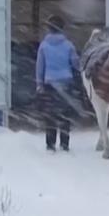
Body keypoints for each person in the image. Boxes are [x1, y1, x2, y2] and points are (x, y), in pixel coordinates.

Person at [35, 14, 81, 152]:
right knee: (65, 115)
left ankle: (50, 144)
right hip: (66, 84)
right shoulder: (68, 45)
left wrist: (39, 84)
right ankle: (64, 144)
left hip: (50, 84)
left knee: (50, 115)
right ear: (62, 28)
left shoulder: (43, 45)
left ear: (49, 28)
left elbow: (39, 66)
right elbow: (76, 64)